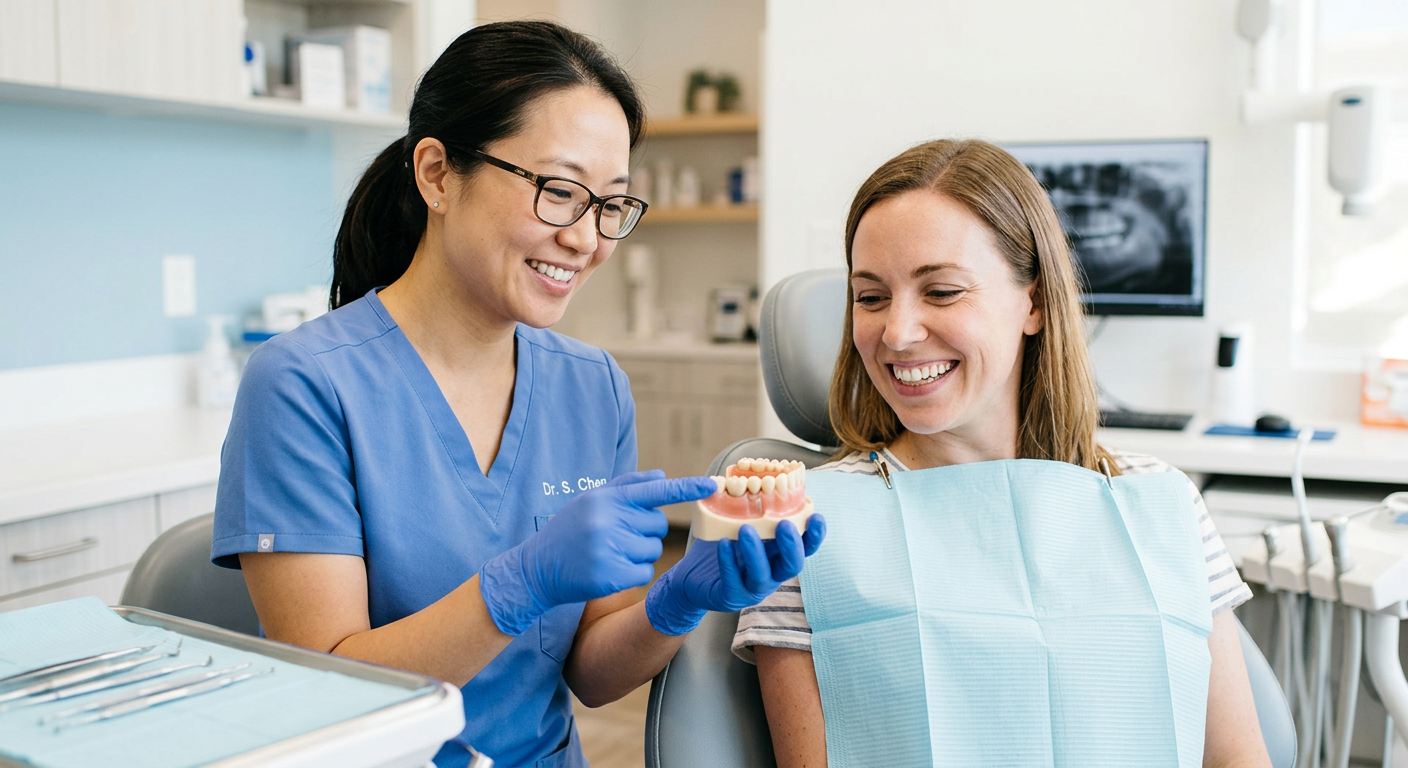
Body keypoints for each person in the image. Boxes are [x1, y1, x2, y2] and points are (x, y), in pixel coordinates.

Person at [211, 21, 823, 768]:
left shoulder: (592, 385)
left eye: (611, 205)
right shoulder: (305, 385)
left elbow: (592, 677)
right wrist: (516, 586)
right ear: (436, 173)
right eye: (561, 191)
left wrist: (678, 601)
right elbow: (335, 698)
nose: (588, 239)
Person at [732, 139, 1270, 767]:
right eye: (871, 297)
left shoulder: (1161, 503)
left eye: (942, 291)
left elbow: (1236, 758)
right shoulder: (797, 523)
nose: (898, 333)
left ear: (1034, 303)